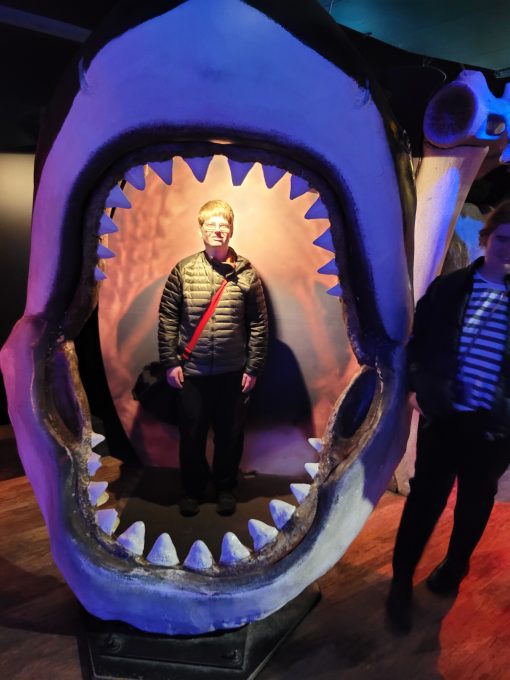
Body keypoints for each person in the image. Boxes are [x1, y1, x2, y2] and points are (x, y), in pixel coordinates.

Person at [386, 201, 510, 633]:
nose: (509, 249)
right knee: (424, 501)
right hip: (444, 418)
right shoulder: (449, 288)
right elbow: (417, 342)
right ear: (487, 239)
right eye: (503, 239)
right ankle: (399, 584)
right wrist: (415, 388)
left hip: (494, 429)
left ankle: (455, 567)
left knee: (476, 500)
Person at [158, 200, 268, 517]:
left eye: (223, 225)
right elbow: (167, 319)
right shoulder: (183, 270)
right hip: (191, 372)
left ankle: (225, 487)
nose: (217, 230)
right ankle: (192, 489)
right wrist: (171, 363)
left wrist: (253, 367)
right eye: (211, 225)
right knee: (191, 435)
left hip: (233, 372)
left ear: (231, 230)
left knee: (230, 436)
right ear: (201, 230)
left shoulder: (247, 274)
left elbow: (259, 323)